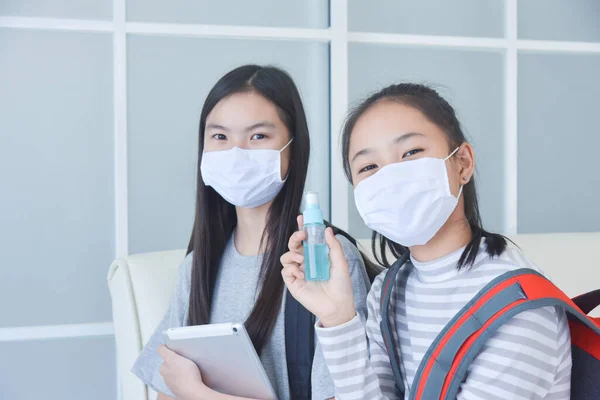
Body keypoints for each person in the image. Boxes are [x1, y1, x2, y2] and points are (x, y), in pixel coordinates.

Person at [281, 83, 572, 399]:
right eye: (369, 167)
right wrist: (337, 317)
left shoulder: (518, 306)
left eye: (411, 153)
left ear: (462, 162)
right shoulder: (388, 291)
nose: (390, 178)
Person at [132, 65, 373, 400]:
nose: (237, 152)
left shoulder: (322, 258)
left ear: (293, 146)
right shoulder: (198, 266)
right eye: (220, 137)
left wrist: (197, 393)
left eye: (258, 136)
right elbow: (166, 389)